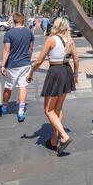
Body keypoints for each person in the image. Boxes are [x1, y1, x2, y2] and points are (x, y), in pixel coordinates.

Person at [26, 18, 79, 156]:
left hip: (55, 72)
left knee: (48, 110)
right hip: (67, 71)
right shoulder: (70, 40)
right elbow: (76, 59)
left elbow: (39, 60)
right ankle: (54, 140)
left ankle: (63, 136)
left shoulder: (51, 40)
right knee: (58, 108)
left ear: (55, 26)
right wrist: (75, 75)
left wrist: (31, 72)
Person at [0, 12, 34, 122]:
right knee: (23, 87)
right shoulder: (29, 32)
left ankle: (4, 107)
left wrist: (3, 65)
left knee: (8, 86)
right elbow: (31, 49)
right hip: (25, 64)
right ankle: (21, 111)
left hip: (12, 65)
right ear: (23, 20)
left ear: (14, 21)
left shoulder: (9, 33)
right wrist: (29, 59)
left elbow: (6, 50)